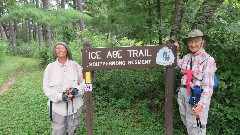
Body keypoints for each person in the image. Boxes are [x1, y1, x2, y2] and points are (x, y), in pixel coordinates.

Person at [174, 29, 217, 135]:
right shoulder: (188, 57)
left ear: (202, 42)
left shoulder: (208, 60)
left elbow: (208, 87)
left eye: (196, 41)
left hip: (196, 96)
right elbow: (176, 65)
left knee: (197, 127)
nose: (193, 44)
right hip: (183, 93)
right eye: (190, 41)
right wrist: (177, 52)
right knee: (187, 122)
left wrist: (201, 105)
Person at [43, 42, 85, 135]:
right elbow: (46, 89)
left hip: (75, 106)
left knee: (72, 130)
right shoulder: (50, 67)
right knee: (58, 131)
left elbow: (84, 82)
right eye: (57, 48)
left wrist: (76, 90)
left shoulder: (75, 65)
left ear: (67, 50)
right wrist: (61, 97)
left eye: (62, 48)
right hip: (56, 108)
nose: (59, 50)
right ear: (55, 51)